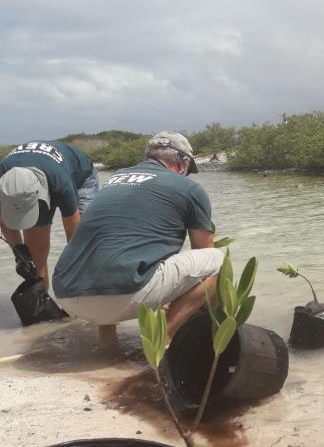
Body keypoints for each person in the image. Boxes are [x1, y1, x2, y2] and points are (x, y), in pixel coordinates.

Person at [53, 132, 223, 347]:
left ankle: (108, 346)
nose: (187, 176)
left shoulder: (114, 181)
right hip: (119, 296)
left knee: (112, 253)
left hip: (66, 293)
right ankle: (161, 342)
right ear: (183, 162)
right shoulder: (190, 189)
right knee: (216, 259)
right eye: (189, 170)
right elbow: (203, 250)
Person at [0, 140, 98, 289]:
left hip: (81, 177)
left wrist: (72, 266)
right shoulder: (3, 182)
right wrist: (19, 252)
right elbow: (4, 220)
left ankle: (83, 298)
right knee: (34, 254)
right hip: (32, 181)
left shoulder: (61, 184)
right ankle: (42, 301)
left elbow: (74, 238)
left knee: (84, 247)